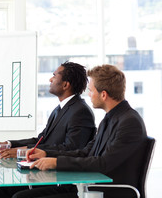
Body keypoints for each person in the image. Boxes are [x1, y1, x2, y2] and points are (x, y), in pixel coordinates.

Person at [13, 64, 147, 198]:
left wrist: (56, 163)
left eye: (91, 90)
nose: (89, 95)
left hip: (106, 192)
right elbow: (86, 152)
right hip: (90, 189)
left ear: (104, 95)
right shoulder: (111, 118)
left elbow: (103, 164)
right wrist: (46, 154)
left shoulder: (129, 122)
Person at [0, 61, 96, 198]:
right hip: (43, 175)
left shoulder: (80, 111)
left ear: (66, 85)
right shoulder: (59, 109)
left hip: (59, 180)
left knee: (4, 192)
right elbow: (40, 140)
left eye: (54, 76)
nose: (50, 79)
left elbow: (71, 149)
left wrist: (24, 152)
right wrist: (9, 144)